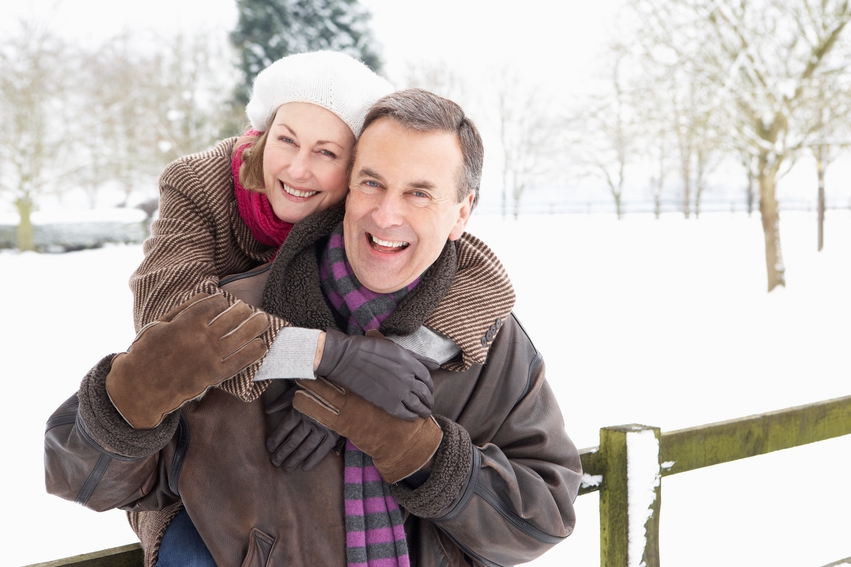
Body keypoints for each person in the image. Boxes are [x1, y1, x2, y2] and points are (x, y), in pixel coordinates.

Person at [45, 88, 582, 567]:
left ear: (462, 212)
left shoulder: (491, 340)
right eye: (372, 182)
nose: (387, 214)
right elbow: (83, 478)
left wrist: (421, 453)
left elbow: (544, 516)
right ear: (348, 186)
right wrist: (130, 398)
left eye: (419, 193)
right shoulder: (234, 316)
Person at [117, 49, 416, 565]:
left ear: (356, 168)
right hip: (202, 460)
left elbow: (473, 274)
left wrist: (346, 399)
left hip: (311, 473)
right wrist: (326, 358)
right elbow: (170, 321)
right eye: (287, 140)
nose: (298, 168)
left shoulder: (364, 205)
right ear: (264, 129)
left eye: (326, 152)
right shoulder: (198, 185)